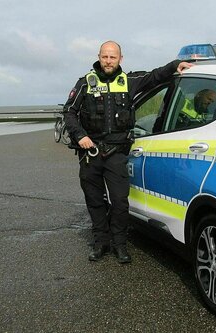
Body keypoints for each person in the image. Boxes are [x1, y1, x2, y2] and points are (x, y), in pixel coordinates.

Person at [63, 40, 193, 263]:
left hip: (116, 153)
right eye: (105, 57)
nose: (108, 61)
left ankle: (120, 245)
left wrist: (175, 65)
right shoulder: (85, 83)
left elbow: (155, 76)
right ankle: (100, 243)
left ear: (120, 59)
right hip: (90, 153)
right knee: (94, 201)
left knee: (120, 202)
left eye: (113, 57)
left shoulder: (130, 81)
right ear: (99, 56)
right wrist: (80, 136)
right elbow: (69, 112)